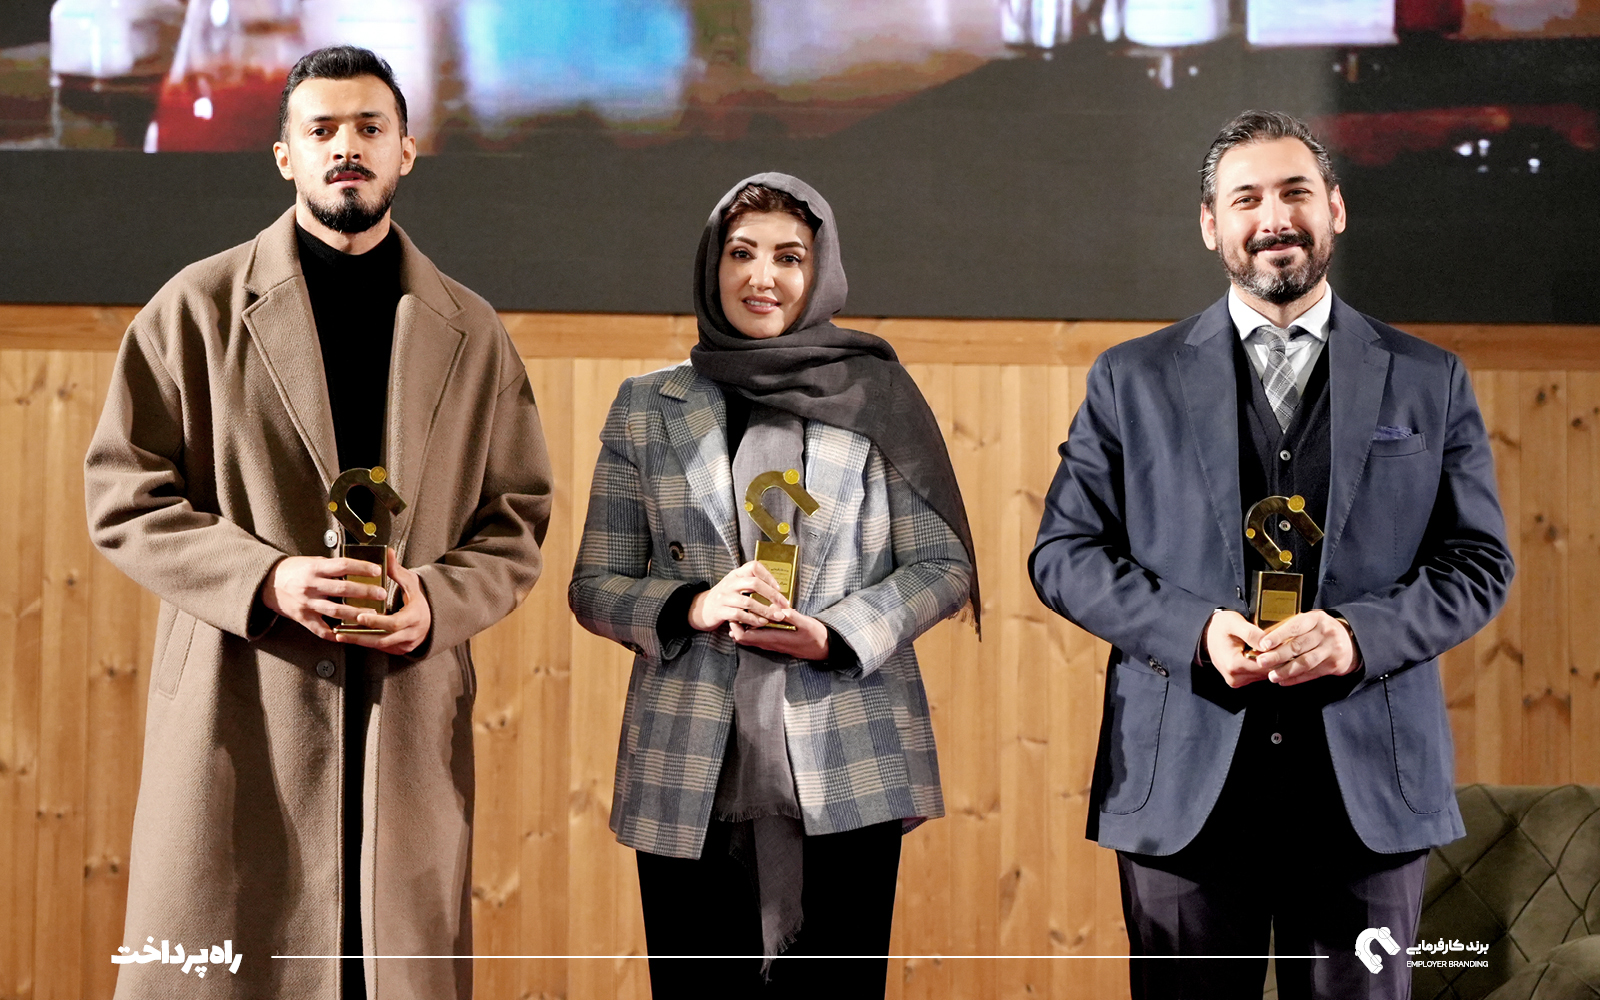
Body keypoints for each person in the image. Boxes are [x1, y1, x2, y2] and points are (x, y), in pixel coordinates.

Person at [84, 46, 553, 1000]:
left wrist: (437, 601)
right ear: (285, 156)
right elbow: (124, 492)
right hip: (240, 693)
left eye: (370, 128)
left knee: (386, 966)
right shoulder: (195, 308)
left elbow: (515, 520)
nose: (348, 147)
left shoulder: (471, 329)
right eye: (323, 129)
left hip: (406, 706)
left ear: (406, 151)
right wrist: (265, 578)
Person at [1029, 110, 1514, 999]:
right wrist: (1193, 631)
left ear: (1335, 209)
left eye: (1295, 192)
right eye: (1246, 198)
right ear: (1211, 224)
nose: (1274, 217)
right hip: (1183, 791)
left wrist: (1357, 636)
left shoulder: (1429, 377)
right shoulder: (1129, 379)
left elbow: (1479, 564)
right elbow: (1064, 553)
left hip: (1368, 799)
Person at [568, 173, 978, 997]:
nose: (763, 277)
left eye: (789, 257)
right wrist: (692, 605)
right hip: (687, 768)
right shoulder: (647, 406)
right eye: (741, 253)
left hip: (848, 760)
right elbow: (593, 585)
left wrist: (835, 634)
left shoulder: (878, 396)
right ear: (711, 267)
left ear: (820, 272)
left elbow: (943, 565)